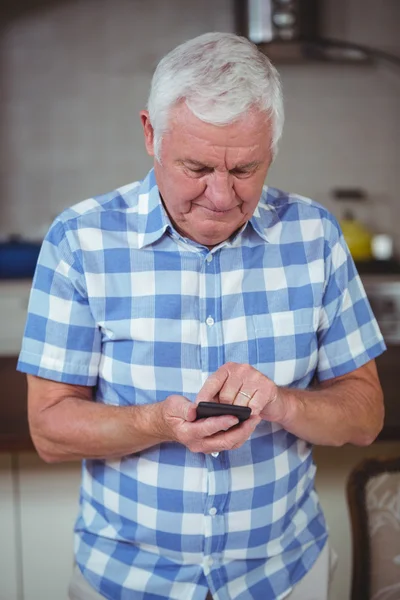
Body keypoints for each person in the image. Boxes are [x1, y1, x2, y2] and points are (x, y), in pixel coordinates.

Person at [17, 32, 385, 600]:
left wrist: (282, 402)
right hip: (127, 581)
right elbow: (49, 430)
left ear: (271, 150)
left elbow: (364, 417)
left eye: (245, 170)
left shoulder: (315, 236)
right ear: (149, 134)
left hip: (284, 578)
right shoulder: (80, 240)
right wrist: (157, 424)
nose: (220, 195)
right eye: (197, 167)